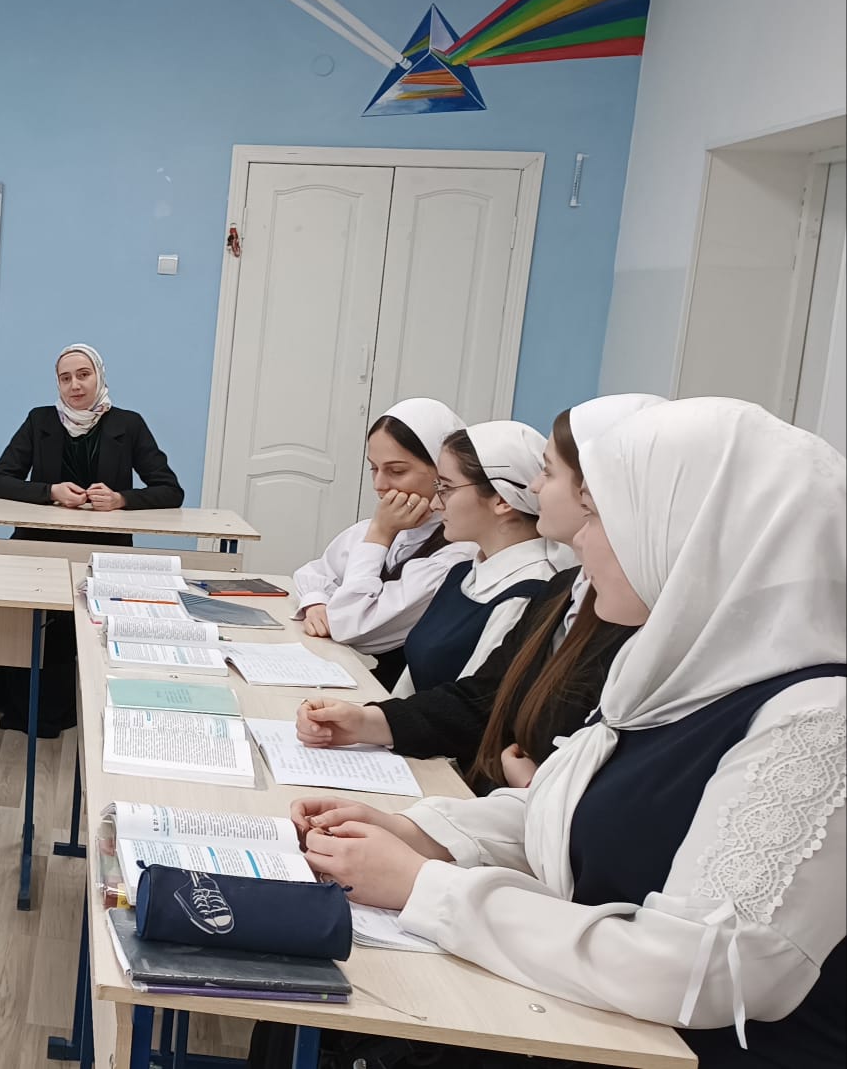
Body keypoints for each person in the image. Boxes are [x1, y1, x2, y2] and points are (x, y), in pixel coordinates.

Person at [288, 398, 845, 1069]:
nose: (579, 539)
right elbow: (565, 807)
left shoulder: (816, 722)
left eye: (602, 516)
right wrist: (419, 832)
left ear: (692, 537)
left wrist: (424, 886)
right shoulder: (673, 673)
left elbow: (697, 970)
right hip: (590, 1027)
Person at [295, 396, 663, 791]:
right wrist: (370, 721)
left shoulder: (536, 589)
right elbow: (475, 696)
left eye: (549, 473)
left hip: (469, 780)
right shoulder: (550, 585)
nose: (535, 486)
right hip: (462, 776)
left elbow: (496, 721)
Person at [0, 343, 183, 736]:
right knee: (28, 622)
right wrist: (49, 491)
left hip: (103, 550)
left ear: (99, 376)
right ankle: (23, 705)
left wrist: (121, 500)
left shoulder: (128, 424)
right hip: (39, 545)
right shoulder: (40, 420)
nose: (75, 385)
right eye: (65, 378)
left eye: (83, 375)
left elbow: (170, 490)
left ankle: (82, 706)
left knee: (82, 628)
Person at [292, 398, 476, 689]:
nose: (379, 485)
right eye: (374, 468)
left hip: (398, 698)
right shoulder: (384, 528)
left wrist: (380, 535)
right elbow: (313, 572)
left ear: (441, 472)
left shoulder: (457, 554)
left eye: (396, 471)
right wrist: (317, 603)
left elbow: (353, 626)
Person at [380, 420, 560, 701]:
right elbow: (410, 682)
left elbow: (468, 708)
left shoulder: (526, 595)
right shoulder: (462, 573)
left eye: (446, 488)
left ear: (502, 500)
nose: (436, 503)